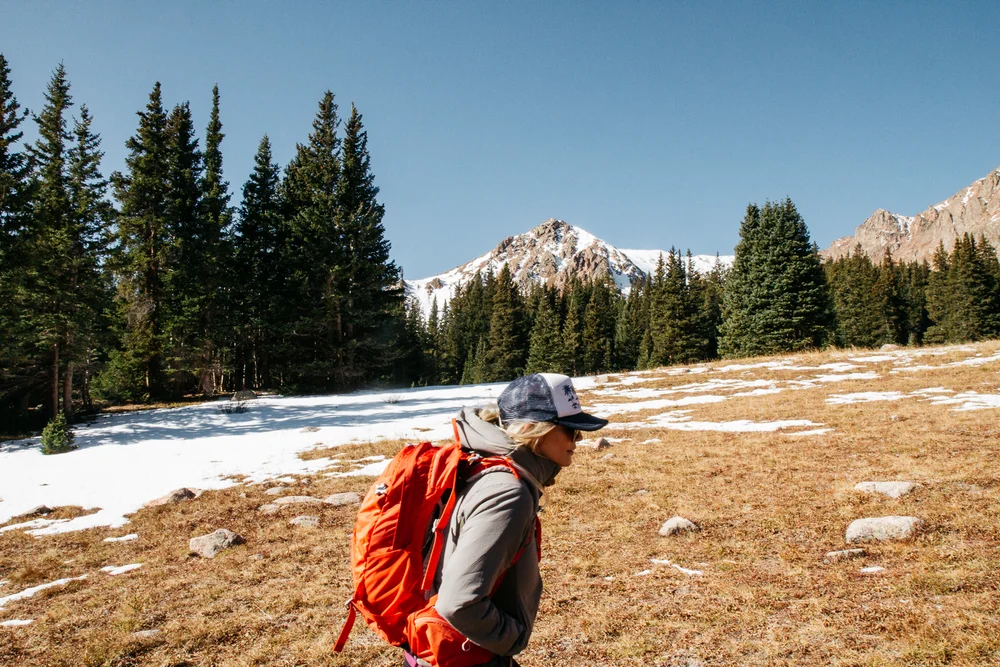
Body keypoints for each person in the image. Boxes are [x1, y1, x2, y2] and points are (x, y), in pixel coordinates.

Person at [406, 372, 608, 667]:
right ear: (532, 429)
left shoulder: (482, 462)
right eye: (569, 430)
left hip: (441, 648)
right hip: (466, 656)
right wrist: (511, 640)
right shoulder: (507, 491)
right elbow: (459, 603)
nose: (578, 440)